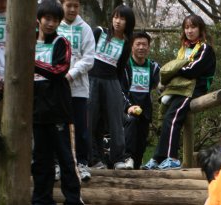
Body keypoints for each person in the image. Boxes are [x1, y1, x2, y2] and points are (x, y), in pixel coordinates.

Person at [29, 0, 84, 205]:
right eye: (47, 19)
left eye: (55, 20)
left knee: (66, 159)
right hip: (37, 110)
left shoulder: (62, 42)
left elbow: (59, 70)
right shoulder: (30, 42)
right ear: (39, 19)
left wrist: (32, 63)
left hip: (59, 110)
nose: (50, 23)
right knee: (40, 159)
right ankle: (42, 202)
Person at [141, 14, 215, 170]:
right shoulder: (184, 49)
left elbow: (192, 70)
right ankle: (158, 157)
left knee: (173, 118)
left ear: (200, 29)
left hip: (194, 88)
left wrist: (173, 70)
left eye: (193, 27)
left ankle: (172, 158)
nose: (189, 31)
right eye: (186, 27)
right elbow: (179, 67)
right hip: (180, 88)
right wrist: (175, 71)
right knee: (166, 118)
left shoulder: (205, 48)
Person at [87, 5, 134, 169]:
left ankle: (118, 158)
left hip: (112, 82)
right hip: (92, 79)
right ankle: (92, 158)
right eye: (115, 17)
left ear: (128, 22)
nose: (118, 21)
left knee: (116, 120)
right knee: (90, 120)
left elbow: (120, 69)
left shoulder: (126, 44)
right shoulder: (99, 32)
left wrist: (118, 91)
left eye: (122, 18)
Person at [57, 0, 95, 181]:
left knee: (80, 128)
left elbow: (89, 59)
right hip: (57, 87)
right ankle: (58, 163)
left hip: (78, 88)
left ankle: (82, 163)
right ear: (62, 5)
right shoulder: (55, 25)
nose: (72, 9)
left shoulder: (85, 29)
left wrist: (71, 74)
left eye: (76, 6)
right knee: (58, 127)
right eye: (68, 5)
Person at [119, 31, 160, 169]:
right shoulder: (125, 66)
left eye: (144, 44)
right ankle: (127, 157)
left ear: (148, 47)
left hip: (145, 110)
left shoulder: (153, 67)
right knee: (131, 122)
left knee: (141, 143)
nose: (141, 47)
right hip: (126, 109)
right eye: (138, 44)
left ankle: (136, 165)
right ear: (132, 46)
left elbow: (161, 85)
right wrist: (128, 106)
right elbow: (120, 90)